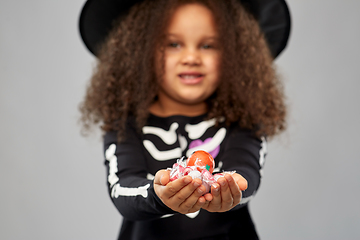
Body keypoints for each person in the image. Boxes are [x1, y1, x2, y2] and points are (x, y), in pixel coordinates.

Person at [79, 0, 291, 239]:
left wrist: (233, 187)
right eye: (173, 44)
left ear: (236, 55)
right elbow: (122, 191)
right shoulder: (124, 125)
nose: (191, 57)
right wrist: (157, 195)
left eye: (208, 45)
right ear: (140, 51)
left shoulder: (243, 119)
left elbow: (246, 173)